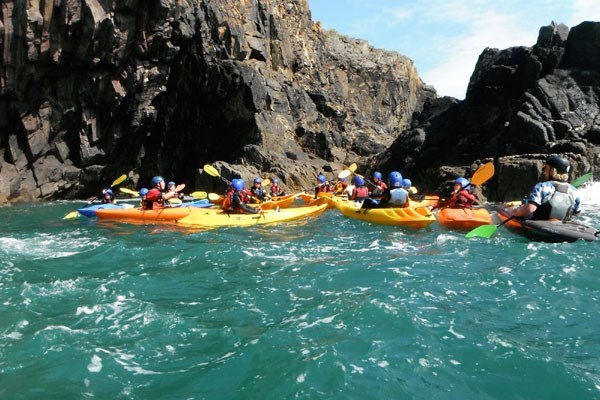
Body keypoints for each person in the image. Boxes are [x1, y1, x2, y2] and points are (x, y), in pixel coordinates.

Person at [509, 155, 582, 220]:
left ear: (553, 171)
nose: (544, 171)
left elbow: (530, 208)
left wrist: (515, 213)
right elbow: (577, 213)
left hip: (540, 223)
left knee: (513, 210)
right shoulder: (575, 191)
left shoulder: (542, 186)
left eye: (546, 168)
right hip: (563, 226)